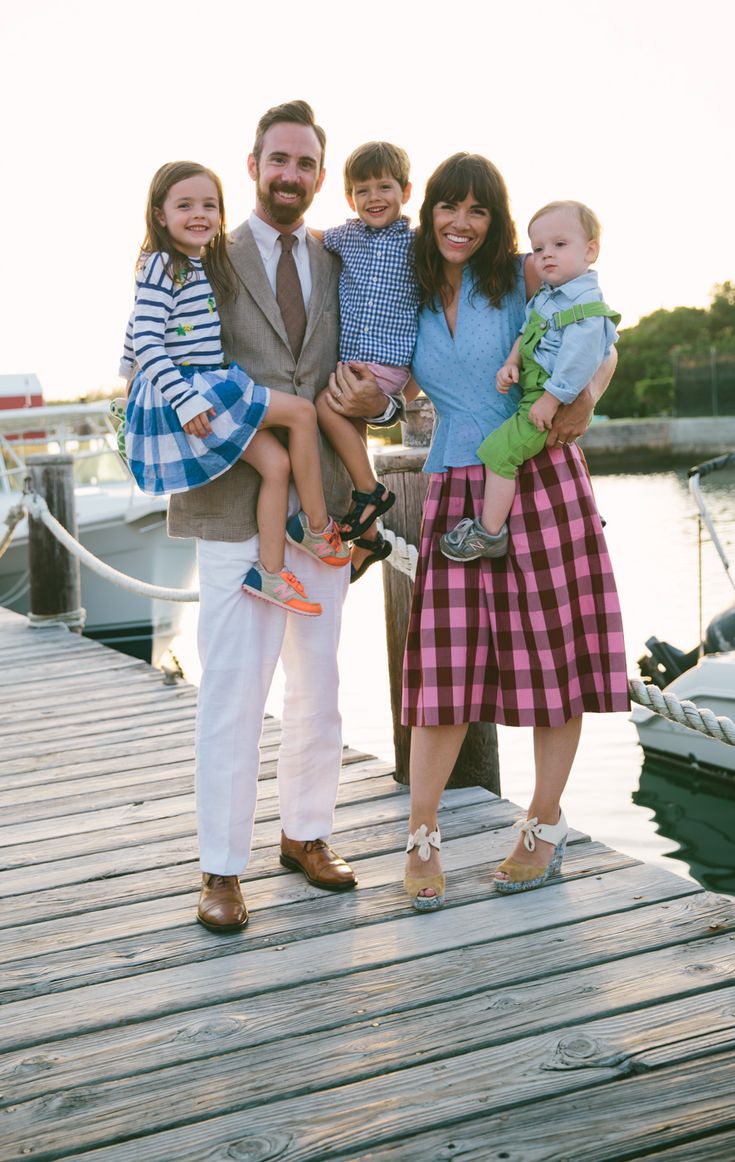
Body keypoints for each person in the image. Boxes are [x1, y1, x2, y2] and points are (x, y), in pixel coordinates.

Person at [330, 154, 629, 911]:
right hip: (455, 481)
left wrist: (585, 397)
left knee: (551, 658)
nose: (460, 222)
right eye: (447, 208)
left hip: (540, 475)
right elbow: (394, 392)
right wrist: (376, 403)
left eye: (478, 210)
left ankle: (542, 824)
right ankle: (422, 831)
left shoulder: (526, 278)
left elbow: (600, 336)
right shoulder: (412, 290)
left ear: (495, 220)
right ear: (427, 213)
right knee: (445, 666)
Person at [165, 102, 404, 932]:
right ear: (254, 163)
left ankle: (306, 835)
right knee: (232, 691)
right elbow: (161, 364)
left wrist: (380, 398)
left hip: (326, 514)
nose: (291, 175)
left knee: (321, 686)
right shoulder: (205, 257)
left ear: (318, 172)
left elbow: (361, 373)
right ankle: (220, 870)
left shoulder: (339, 257)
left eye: (306, 162)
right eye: (279, 159)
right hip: (236, 502)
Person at [120, 160, 350, 619]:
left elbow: (131, 337)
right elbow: (146, 338)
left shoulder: (195, 262)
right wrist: (177, 399)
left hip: (203, 386)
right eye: (184, 205)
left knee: (276, 462)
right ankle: (317, 527)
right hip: (193, 389)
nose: (199, 213)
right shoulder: (163, 264)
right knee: (303, 413)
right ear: (160, 215)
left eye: (210, 204)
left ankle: (268, 571)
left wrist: (128, 377)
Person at [440, 200, 620, 562]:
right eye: (538, 249)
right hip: (535, 396)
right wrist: (511, 363)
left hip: (550, 401)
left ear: (591, 250)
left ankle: (488, 534)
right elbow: (526, 332)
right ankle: (585, 512)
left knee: (498, 453)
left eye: (559, 245)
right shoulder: (548, 297)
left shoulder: (585, 307)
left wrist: (552, 400)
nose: (545, 255)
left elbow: (580, 360)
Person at [314, 141, 420, 582]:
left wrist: (412, 385)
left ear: (406, 191)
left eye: (384, 187)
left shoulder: (417, 244)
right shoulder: (346, 236)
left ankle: (371, 491)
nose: (374, 198)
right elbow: (309, 236)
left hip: (386, 362)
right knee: (348, 441)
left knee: (324, 407)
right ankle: (373, 539)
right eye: (362, 190)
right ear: (349, 198)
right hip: (353, 360)